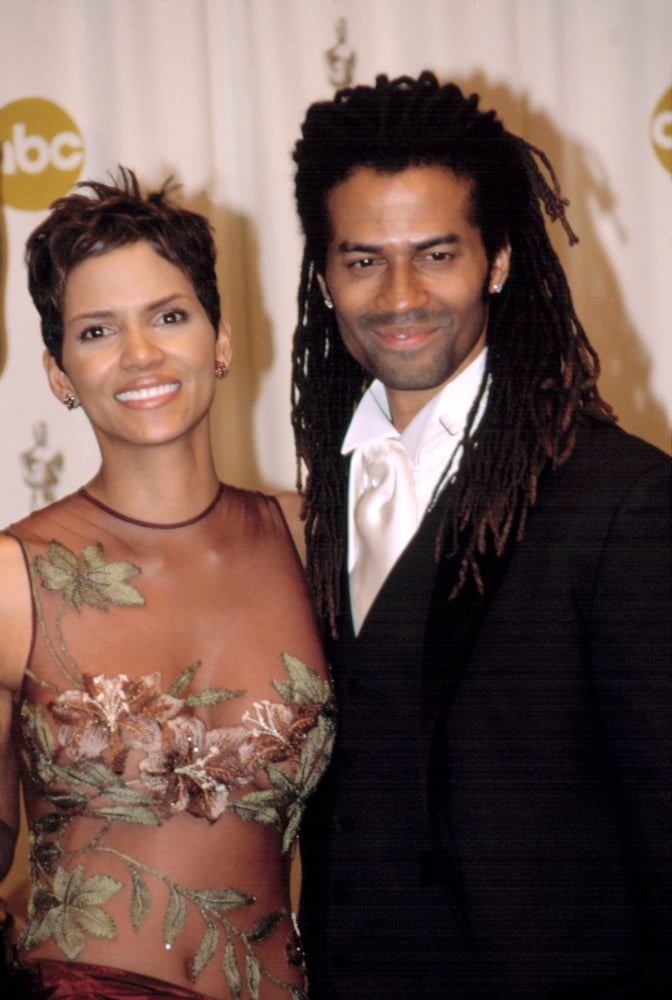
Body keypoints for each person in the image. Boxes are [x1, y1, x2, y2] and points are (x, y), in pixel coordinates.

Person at [288, 71, 671, 998]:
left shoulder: (623, 502)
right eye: (363, 259)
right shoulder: (314, 496)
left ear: (497, 259)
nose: (399, 295)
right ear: (326, 273)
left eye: (436, 253)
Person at [0, 168, 335, 1000]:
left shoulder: (317, 541)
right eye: (98, 331)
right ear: (57, 373)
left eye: (170, 316)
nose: (140, 355)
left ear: (221, 340)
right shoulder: (14, 580)